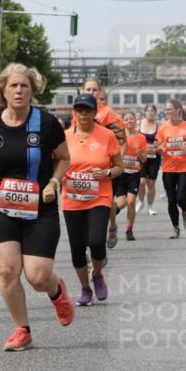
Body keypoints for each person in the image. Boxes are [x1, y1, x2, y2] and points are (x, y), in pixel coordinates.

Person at [0, 63, 73, 351]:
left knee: (38, 277)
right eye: (13, 85)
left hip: (41, 206)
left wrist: (54, 182)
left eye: (24, 86)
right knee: (7, 271)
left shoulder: (46, 122)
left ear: (32, 90)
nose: (18, 90)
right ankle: (22, 329)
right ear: (3, 90)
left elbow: (64, 157)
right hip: (2, 205)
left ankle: (57, 291)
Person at [62, 94, 123, 305]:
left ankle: (97, 274)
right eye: (79, 109)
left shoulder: (107, 136)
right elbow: (57, 164)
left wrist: (106, 173)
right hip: (72, 198)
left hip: (99, 197)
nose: (83, 113)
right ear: (74, 112)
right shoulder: (65, 137)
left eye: (87, 109)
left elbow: (119, 167)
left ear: (95, 112)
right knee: (77, 248)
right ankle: (85, 288)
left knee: (96, 241)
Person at [155, 98, 186, 239]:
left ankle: (185, 211)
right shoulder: (163, 126)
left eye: (169, 109)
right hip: (168, 168)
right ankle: (175, 228)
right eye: (166, 109)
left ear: (178, 110)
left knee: (180, 198)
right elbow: (158, 144)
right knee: (171, 200)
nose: (167, 112)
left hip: (184, 167)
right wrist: (159, 149)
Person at [108, 110, 147, 243]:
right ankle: (114, 212)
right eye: (126, 119)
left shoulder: (141, 137)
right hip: (120, 174)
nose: (129, 121)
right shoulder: (117, 137)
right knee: (121, 203)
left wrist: (140, 153)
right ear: (122, 122)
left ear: (135, 121)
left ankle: (129, 230)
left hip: (134, 174)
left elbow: (144, 159)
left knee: (131, 201)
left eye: (131, 119)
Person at [136, 104, 161, 216]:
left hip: (154, 157)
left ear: (155, 113)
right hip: (141, 157)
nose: (150, 113)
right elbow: (132, 136)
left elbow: (163, 140)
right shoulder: (139, 124)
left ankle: (150, 206)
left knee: (151, 183)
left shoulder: (159, 125)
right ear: (144, 112)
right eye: (148, 111)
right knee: (141, 182)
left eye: (152, 111)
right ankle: (140, 201)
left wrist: (159, 145)